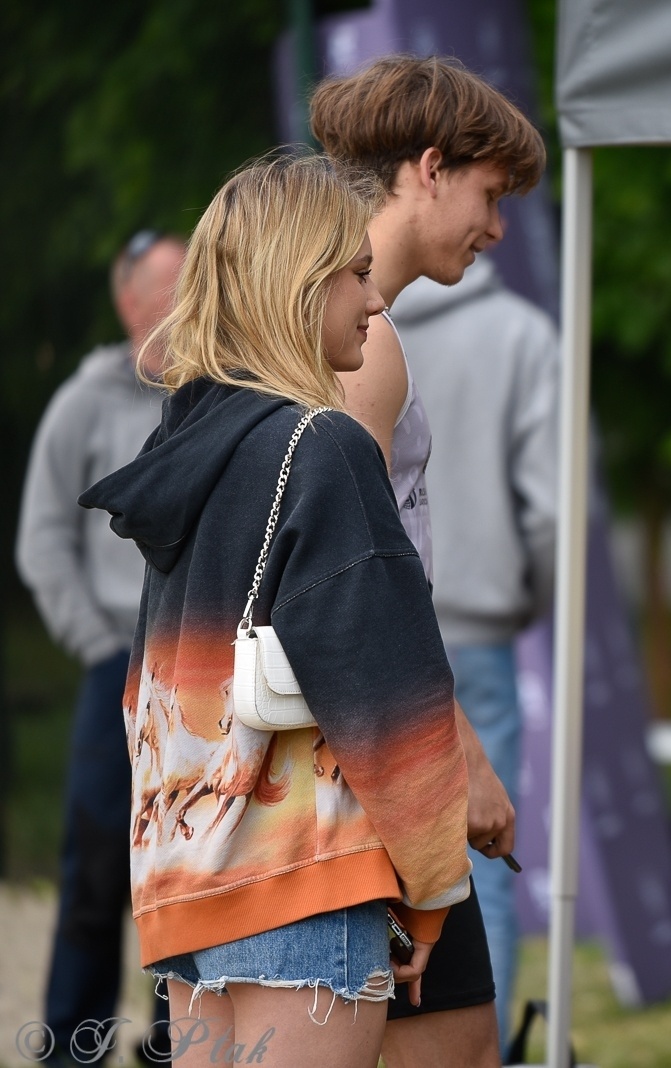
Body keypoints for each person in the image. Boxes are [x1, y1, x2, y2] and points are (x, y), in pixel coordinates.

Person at [80, 153, 473, 1068]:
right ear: (298, 280)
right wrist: (431, 892)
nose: (376, 303)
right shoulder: (323, 444)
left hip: (187, 888)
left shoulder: (181, 449)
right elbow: (394, 703)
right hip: (305, 883)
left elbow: (147, 694)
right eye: (357, 274)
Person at [310, 53, 546, 1063]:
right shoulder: (361, 342)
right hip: (381, 764)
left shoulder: (333, 312)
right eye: (491, 197)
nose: (497, 230)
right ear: (431, 167)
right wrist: (466, 758)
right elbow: (358, 584)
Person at [17, 229, 183, 1064]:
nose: (189, 299)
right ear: (129, 301)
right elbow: (41, 540)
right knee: (92, 877)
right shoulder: (82, 402)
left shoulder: (213, 394)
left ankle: (175, 1048)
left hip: (191, 677)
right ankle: (70, 1050)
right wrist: (91, 642)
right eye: (172, 285)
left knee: (184, 875)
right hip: (110, 670)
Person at [386, 252, 558, 1022]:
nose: (494, 224)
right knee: (482, 852)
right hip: (472, 628)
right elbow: (553, 508)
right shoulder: (520, 333)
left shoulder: (344, 326)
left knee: (369, 858)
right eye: (490, 196)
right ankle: (475, 1034)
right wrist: (523, 600)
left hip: (363, 633)